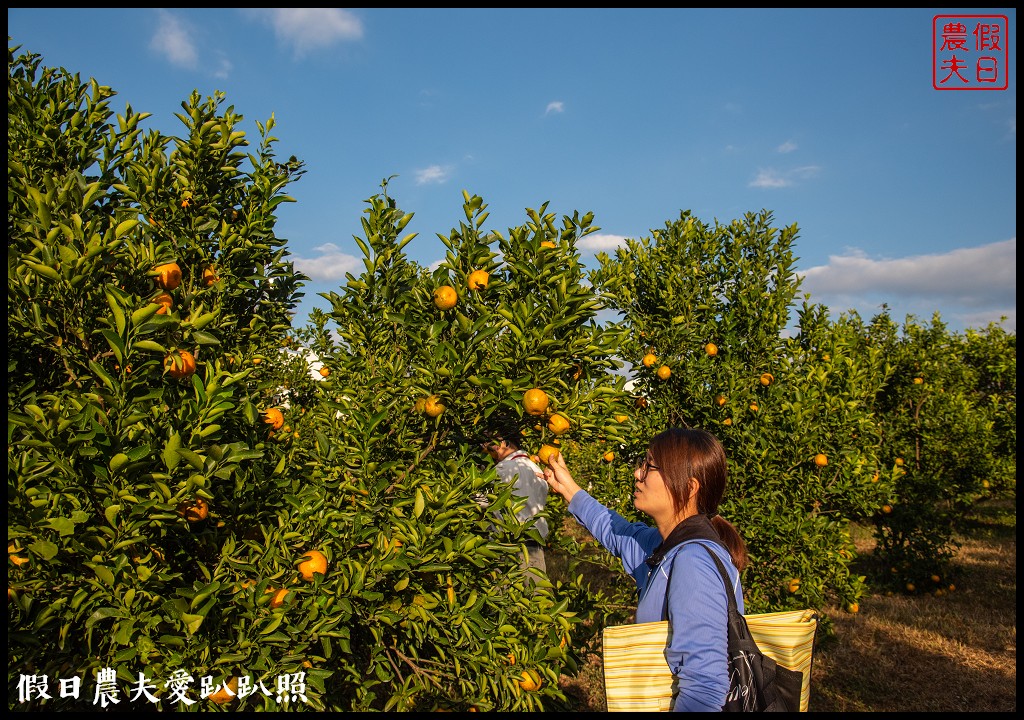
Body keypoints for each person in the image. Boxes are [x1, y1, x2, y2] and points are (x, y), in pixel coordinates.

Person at [543, 427, 748, 712]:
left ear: (689, 487)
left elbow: (705, 688)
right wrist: (568, 488)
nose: (638, 474)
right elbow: (617, 532)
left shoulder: (693, 561)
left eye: (650, 466)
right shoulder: (664, 546)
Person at [480, 422, 549, 576]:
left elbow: (481, 502)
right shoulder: (536, 468)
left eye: (492, 443)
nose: (490, 450)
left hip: (507, 547)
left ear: (503, 442)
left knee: (501, 596)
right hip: (534, 549)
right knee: (536, 597)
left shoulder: (502, 470)